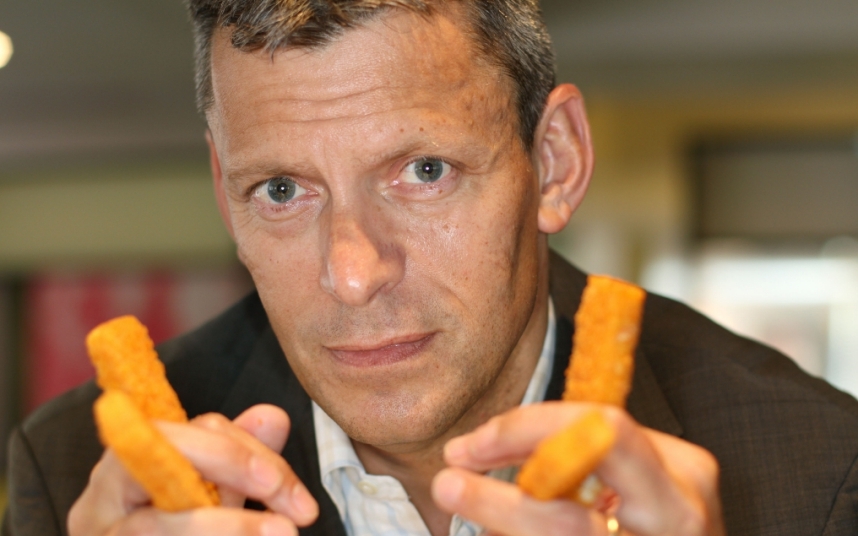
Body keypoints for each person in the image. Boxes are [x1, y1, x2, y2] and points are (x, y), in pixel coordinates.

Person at [4, 1, 858, 535]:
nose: (352, 272)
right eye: (279, 188)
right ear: (227, 203)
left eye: (424, 172)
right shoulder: (74, 468)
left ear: (553, 163)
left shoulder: (820, 472)